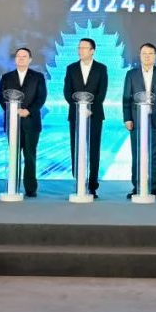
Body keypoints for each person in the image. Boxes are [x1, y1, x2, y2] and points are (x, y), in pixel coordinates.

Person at [122, 43, 156, 199]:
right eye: (144, 53)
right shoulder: (131, 74)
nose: (147, 56)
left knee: (155, 155)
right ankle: (137, 187)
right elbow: (126, 98)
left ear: (155, 56)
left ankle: (154, 188)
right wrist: (127, 118)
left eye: (150, 53)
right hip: (136, 120)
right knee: (137, 154)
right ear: (140, 55)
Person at [0, 47, 47, 197]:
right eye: (18, 56)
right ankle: (13, 186)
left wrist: (28, 111)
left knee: (30, 156)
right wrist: (12, 111)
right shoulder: (7, 77)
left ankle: (31, 188)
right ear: (15, 59)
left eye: (24, 56)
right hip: (12, 122)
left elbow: (41, 98)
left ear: (30, 60)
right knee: (14, 155)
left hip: (31, 122)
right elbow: (1, 97)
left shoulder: (38, 77)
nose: (21, 58)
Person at [63, 37, 108, 198]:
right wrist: (79, 108)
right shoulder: (71, 68)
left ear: (92, 51)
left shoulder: (101, 68)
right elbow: (67, 92)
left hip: (95, 115)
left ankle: (93, 185)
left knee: (94, 149)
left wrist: (90, 109)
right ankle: (79, 181)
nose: (80, 51)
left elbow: (102, 92)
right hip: (76, 115)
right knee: (76, 147)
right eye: (79, 48)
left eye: (84, 48)